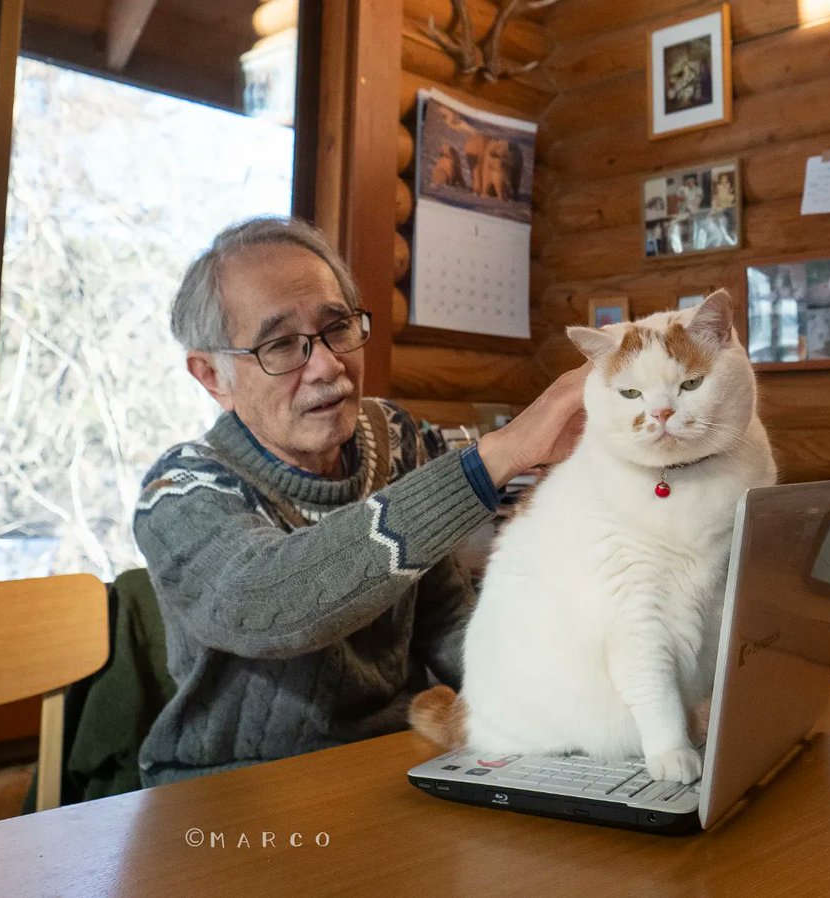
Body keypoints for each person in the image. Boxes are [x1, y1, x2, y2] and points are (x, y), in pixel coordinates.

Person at [133, 216, 587, 786]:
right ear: (211, 377)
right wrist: (491, 460)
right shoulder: (180, 491)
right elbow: (275, 601)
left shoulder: (392, 437)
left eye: (338, 327)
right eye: (281, 345)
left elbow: (446, 618)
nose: (327, 366)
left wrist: (564, 700)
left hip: (390, 760)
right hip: (231, 788)